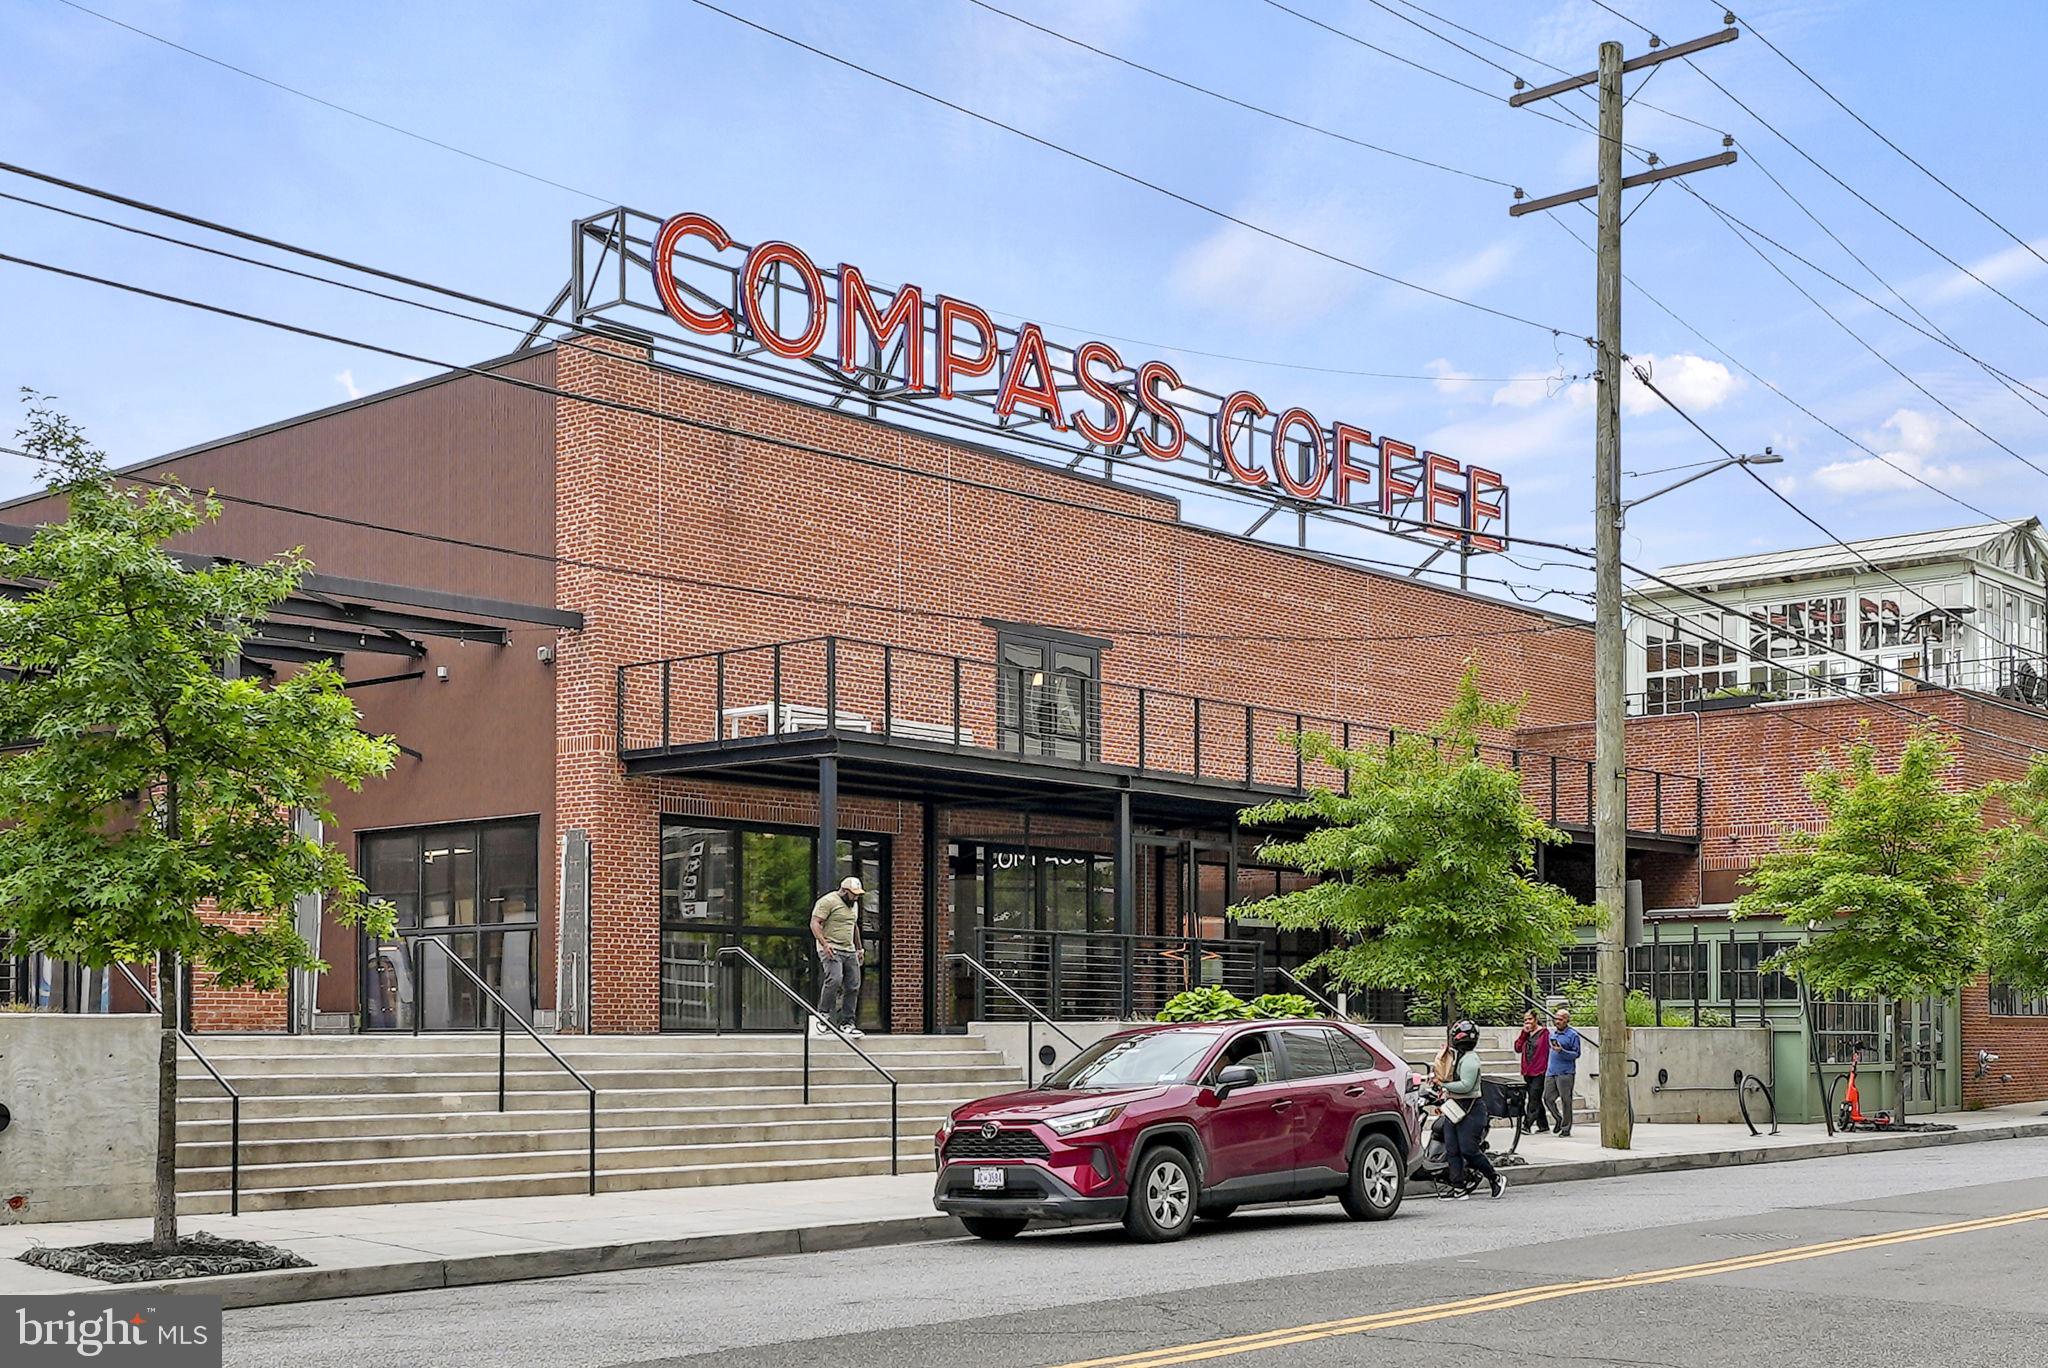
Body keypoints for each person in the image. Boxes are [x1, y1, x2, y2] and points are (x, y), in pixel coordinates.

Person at [1439, 1019, 1506, 1200]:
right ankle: (1458, 1186)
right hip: (1455, 1106)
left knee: (1468, 1149)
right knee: (1452, 1149)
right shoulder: (1457, 1056)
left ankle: (1495, 1177)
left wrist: (1444, 1085)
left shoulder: (1470, 1060)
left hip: (1471, 1108)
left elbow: (1466, 1086)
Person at [808, 876, 866, 1038]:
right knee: (834, 978)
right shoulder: (828, 901)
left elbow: (853, 927)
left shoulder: (854, 906)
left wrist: (859, 949)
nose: (856, 897)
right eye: (853, 894)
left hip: (849, 950)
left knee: (853, 985)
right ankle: (823, 1015)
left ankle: (848, 1022)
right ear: (844, 891)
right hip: (831, 948)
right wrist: (825, 944)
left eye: (858, 895)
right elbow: (815, 923)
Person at [1544, 1006, 1583, 1137]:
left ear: (1566, 1020)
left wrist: (1562, 1051)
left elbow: (1576, 1054)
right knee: (1548, 1098)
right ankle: (1558, 1118)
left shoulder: (1573, 1035)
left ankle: (1566, 1128)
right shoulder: (1553, 1034)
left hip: (1566, 1072)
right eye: (1556, 1019)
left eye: (1560, 1019)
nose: (1557, 1021)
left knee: (1566, 1100)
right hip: (1552, 1071)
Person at [1513, 1009, 1551, 1133]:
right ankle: (1543, 1125)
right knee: (1535, 1098)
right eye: (1525, 1020)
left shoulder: (1544, 1033)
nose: (1527, 1022)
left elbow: (1543, 1051)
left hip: (1539, 1071)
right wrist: (1524, 1034)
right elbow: (1518, 1048)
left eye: (1529, 1019)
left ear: (1535, 1019)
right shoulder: (1526, 1033)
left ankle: (1526, 1124)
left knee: (1533, 1098)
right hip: (1527, 1071)